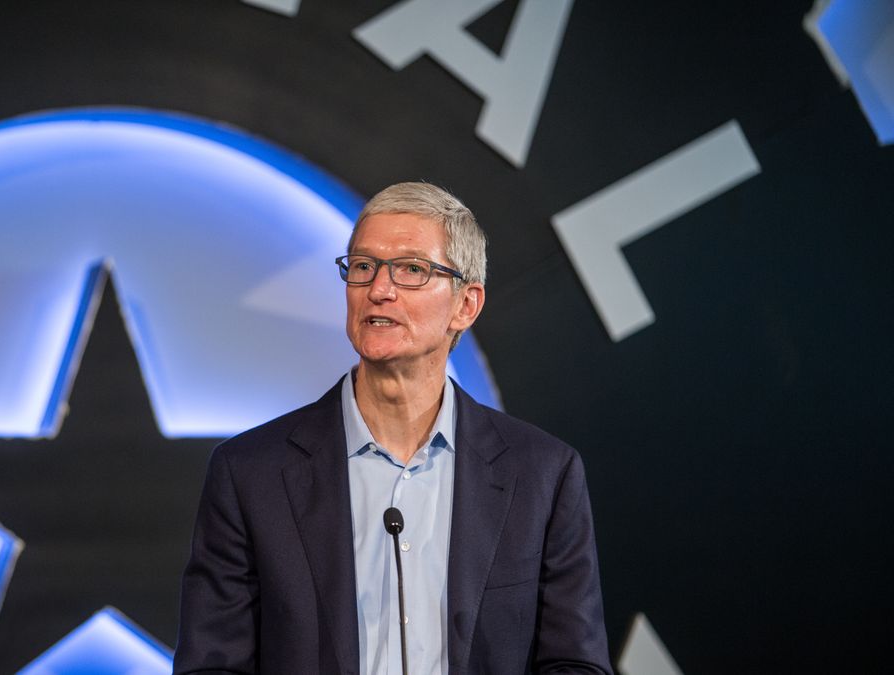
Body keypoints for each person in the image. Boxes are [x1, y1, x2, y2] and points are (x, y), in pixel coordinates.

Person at [174, 182, 611, 674]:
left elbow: (576, 664)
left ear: (466, 304)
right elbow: (212, 666)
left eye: (411, 270)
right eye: (363, 267)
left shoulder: (543, 474)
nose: (379, 290)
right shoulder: (251, 474)